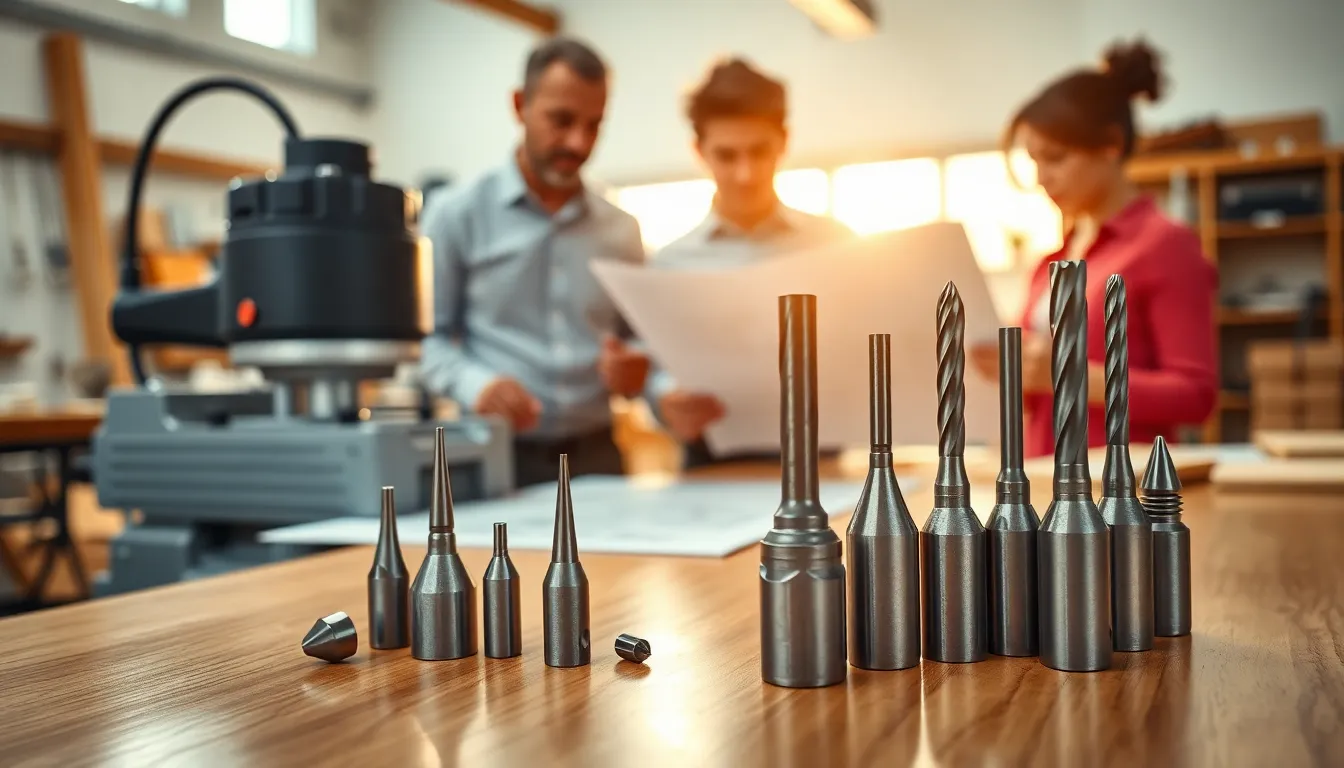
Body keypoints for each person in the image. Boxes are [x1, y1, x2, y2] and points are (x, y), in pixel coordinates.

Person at [420, 37, 657, 488]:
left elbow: (639, 341)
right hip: (494, 455)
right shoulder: (456, 214)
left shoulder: (621, 230)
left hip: (598, 456)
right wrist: (477, 385)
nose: (578, 142)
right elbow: (424, 341)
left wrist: (636, 365)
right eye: (562, 120)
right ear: (519, 104)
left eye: (594, 125)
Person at [970, 39, 1217, 457]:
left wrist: (1065, 375)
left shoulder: (1166, 245)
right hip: (1040, 484)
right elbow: (1037, 396)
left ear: (1110, 145)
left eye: (1055, 157)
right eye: (1033, 162)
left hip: (1120, 495)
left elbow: (1195, 396)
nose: (1041, 178)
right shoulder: (1051, 260)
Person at [645, 58, 855, 464]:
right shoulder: (669, 263)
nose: (745, 173)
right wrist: (665, 398)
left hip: (822, 465)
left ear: (784, 141)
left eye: (760, 151)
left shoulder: (837, 246)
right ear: (698, 152)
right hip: (710, 467)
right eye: (726, 155)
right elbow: (656, 372)